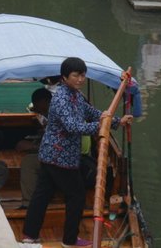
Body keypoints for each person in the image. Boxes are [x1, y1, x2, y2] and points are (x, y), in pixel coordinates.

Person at [21, 57, 131, 246]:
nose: (81, 79)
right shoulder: (62, 98)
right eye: (76, 75)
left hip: (53, 155)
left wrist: (115, 121)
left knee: (42, 194)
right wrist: (100, 126)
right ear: (64, 77)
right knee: (77, 195)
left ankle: (29, 236)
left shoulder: (75, 95)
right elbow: (73, 126)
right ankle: (69, 240)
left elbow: (91, 112)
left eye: (83, 75)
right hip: (59, 156)